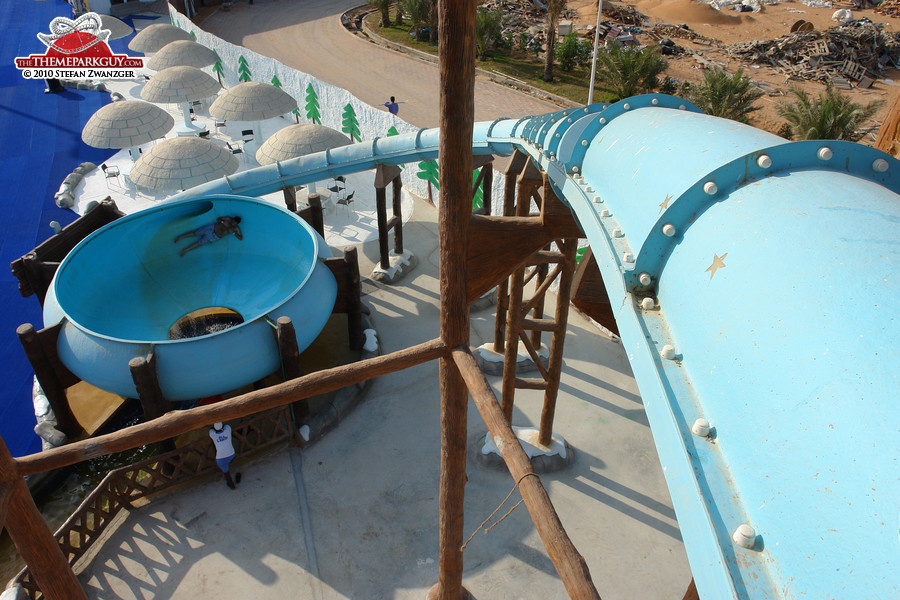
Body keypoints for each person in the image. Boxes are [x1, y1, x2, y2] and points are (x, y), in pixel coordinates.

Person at [175, 216, 243, 257]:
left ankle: (185, 250)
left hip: (214, 236)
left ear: (237, 224)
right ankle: (181, 236)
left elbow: (241, 238)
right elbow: (218, 219)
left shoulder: (235, 228)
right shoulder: (228, 219)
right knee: (195, 233)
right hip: (212, 228)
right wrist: (222, 222)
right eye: (233, 221)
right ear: (233, 219)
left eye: (235, 223)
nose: (233, 223)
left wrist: (234, 233)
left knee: (199, 243)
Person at [210, 422, 242, 489]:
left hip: (220, 458)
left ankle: (231, 484)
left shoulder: (213, 434)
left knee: (226, 472)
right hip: (231, 455)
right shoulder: (228, 430)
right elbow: (227, 425)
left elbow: (211, 430)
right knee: (231, 457)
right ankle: (233, 466)